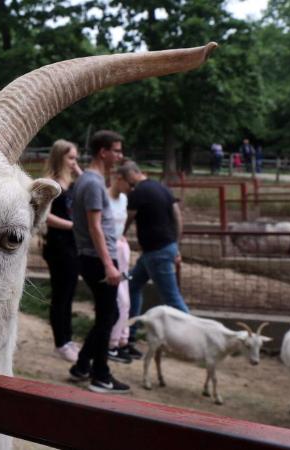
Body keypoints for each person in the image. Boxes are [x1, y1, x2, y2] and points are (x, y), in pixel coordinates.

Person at [67, 130, 130, 394]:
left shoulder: (87, 180)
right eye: (116, 150)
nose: (120, 155)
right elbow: (95, 227)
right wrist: (109, 264)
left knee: (110, 314)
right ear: (103, 152)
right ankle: (100, 375)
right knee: (107, 318)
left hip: (91, 256)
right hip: (98, 258)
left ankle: (82, 365)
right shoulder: (93, 184)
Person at [118, 161, 189, 352]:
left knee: (171, 297)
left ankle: (193, 337)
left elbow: (128, 218)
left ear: (132, 174)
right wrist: (176, 245)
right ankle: (130, 333)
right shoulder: (162, 188)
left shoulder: (138, 192)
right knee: (132, 286)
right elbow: (177, 216)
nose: (127, 184)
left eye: (126, 179)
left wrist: (118, 235)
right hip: (162, 249)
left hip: (156, 252)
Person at [41, 139, 83, 362]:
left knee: (68, 294)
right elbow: (44, 214)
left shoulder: (73, 182)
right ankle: (61, 342)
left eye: (76, 158)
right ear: (60, 158)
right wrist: (71, 226)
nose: (74, 162)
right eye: (71, 158)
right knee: (61, 295)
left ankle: (67, 339)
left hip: (71, 244)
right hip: (58, 244)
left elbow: (90, 185)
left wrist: (77, 170)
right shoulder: (51, 183)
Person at [106, 168, 132, 364]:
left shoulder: (124, 199)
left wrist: (121, 235)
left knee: (126, 299)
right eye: (130, 184)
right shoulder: (104, 197)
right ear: (119, 179)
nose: (131, 189)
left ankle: (122, 339)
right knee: (120, 300)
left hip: (122, 250)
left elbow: (120, 224)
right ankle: (111, 343)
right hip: (109, 251)